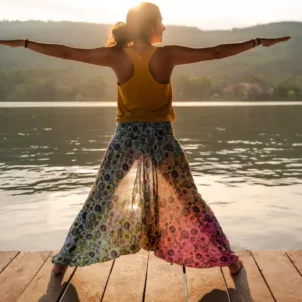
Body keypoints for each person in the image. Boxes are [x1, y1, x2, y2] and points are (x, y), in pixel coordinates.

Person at [1, 2, 291, 277]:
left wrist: (26, 43)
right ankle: (231, 263)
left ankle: (61, 263)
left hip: (126, 137)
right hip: (161, 138)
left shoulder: (117, 55)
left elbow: (66, 53)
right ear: (151, 24)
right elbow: (214, 53)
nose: (164, 27)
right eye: (161, 21)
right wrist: (255, 42)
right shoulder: (166, 55)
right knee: (190, 201)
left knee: (99, 199)